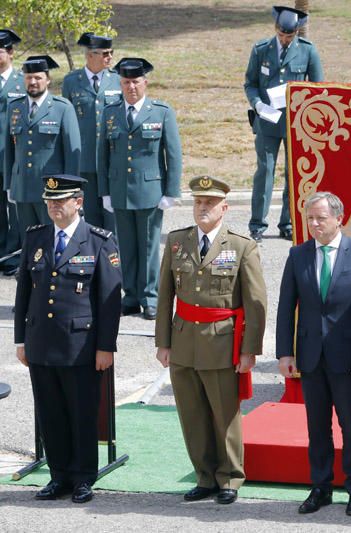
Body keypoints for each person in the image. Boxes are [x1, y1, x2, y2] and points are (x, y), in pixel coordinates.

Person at [155, 176, 267, 505]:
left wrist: (250, 350)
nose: (202, 208)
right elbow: (165, 297)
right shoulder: (177, 242)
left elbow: (256, 303)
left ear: (224, 208)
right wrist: (163, 342)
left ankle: (230, 476)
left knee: (224, 415)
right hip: (184, 341)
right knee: (192, 415)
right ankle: (204, 476)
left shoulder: (241, 246)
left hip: (222, 343)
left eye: (210, 204)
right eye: (198, 203)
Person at [14, 174, 122, 504]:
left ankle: (83, 477)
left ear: (78, 203)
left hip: (81, 345)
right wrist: (21, 339)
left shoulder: (98, 240)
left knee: (82, 412)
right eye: (49, 202)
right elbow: (24, 292)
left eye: (60, 202)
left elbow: (109, 300)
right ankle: (58, 475)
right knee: (50, 413)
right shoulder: (36, 238)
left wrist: (106, 346)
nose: (54, 207)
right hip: (42, 342)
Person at [276, 191, 351, 517]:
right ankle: (320, 487)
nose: (315, 224)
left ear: (339, 218)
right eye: (310, 218)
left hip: (347, 357)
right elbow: (285, 308)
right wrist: (284, 352)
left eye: (321, 218)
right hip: (310, 356)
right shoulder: (298, 255)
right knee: (316, 426)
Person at [97, 57, 182, 320]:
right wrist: (105, 191)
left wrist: (171, 191)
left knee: (148, 247)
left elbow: (174, 154)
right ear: (120, 84)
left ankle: (151, 297)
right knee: (126, 246)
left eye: (135, 81)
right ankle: (131, 295)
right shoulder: (110, 112)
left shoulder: (161, 111)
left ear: (145, 82)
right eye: (126, 82)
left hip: (149, 191)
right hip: (120, 190)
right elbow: (102, 155)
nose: (131, 87)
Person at [244, 6, 323, 242]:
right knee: (264, 171)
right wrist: (257, 104)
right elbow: (250, 83)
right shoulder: (261, 49)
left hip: (294, 122)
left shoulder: (307, 51)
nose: (284, 39)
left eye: (289, 36)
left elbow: (318, 87)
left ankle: (287, 223)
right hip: (267, 119)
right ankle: (257, 224)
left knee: (293, 173)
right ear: (275, 28)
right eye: (281, 34)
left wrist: (300, 101)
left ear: (297, 33)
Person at [4, 56, 80, 232]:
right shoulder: (15, 107)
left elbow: (72, 153)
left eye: (38, 78)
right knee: (28, 242)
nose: (33, 82)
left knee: (51, 239)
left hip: (52, 190)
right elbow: (9, 151)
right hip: (22, 187)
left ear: (48, 80)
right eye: (28, 78)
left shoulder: (62, 108)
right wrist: (9, 185)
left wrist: (71, 191)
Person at [62, 32, 121, 230]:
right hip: (85, 160)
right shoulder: (71, 81)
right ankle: (96, 256)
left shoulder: (118, 80)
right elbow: (66, 121)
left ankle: (114, 258)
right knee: (91, 216)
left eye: (111, 52)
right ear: (90, 55)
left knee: (112, 214)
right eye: (105, 53)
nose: (110, 57)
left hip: (111, 159)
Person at [0, 29, 24, 276]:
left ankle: (14, 254)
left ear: (10, 53)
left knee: (15, 207)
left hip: (15, 155)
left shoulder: (22, 81)